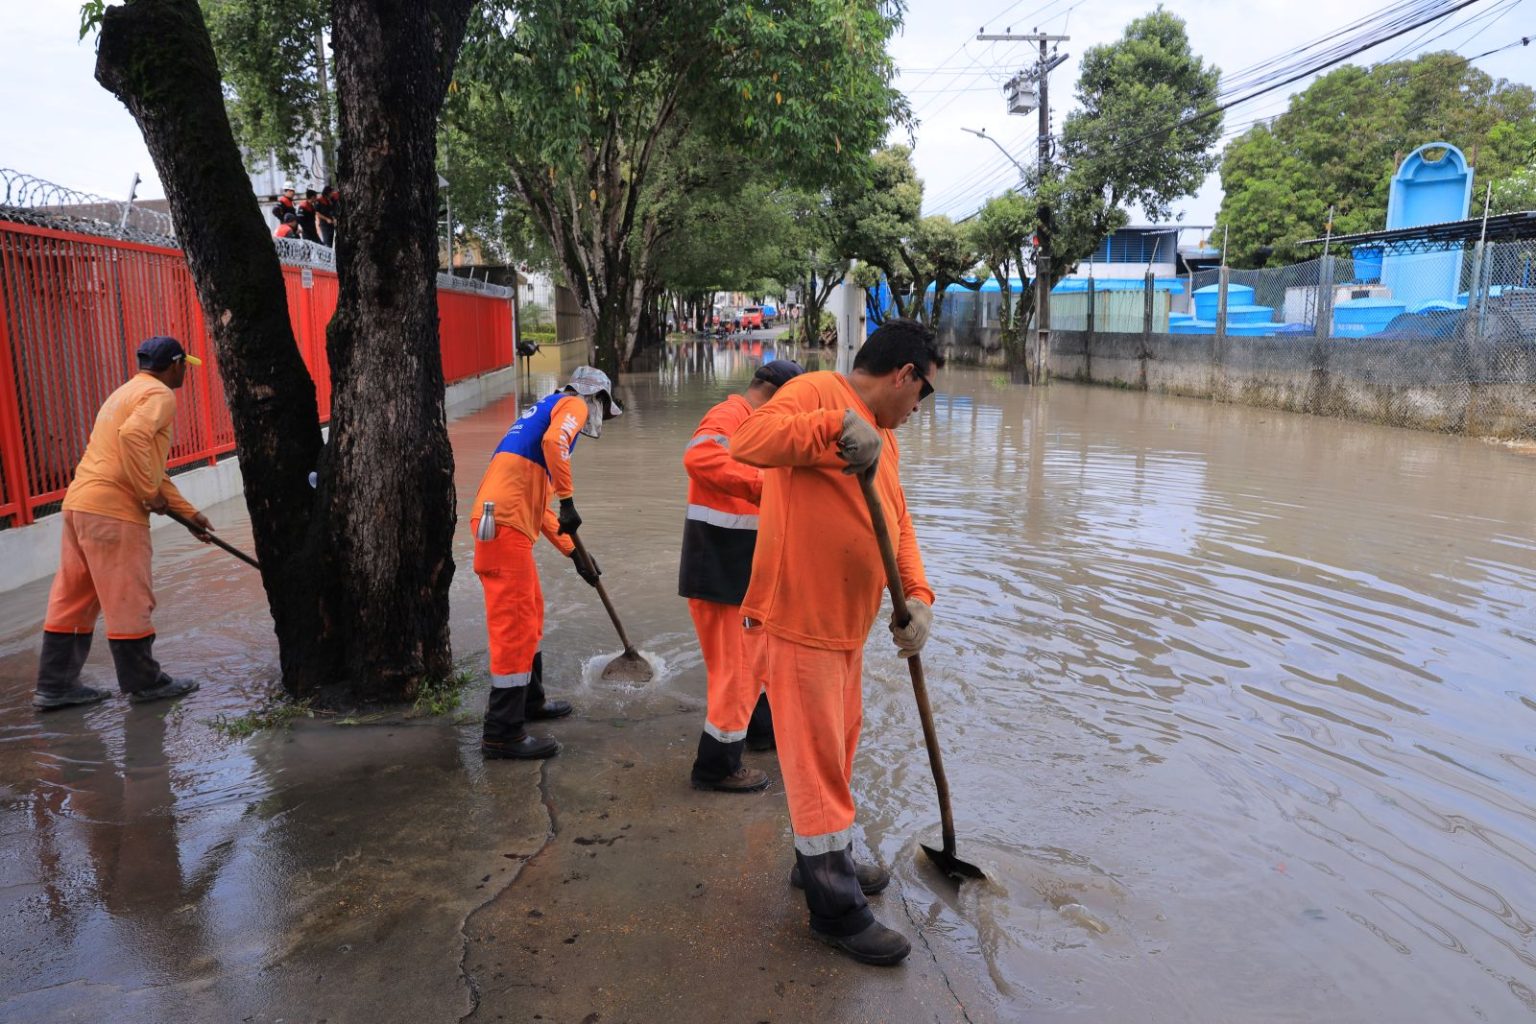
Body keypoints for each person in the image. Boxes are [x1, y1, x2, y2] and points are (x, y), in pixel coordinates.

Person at [731, 317, 943, 967]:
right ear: (904, 375)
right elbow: (748, 439)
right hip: (799, 621)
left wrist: (917, 597)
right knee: (818, 766)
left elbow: (896, 523)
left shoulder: (886, 439)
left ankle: (824, 854)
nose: (919, 407)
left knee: (840, 749)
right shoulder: (818, 392)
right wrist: (829, 430)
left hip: (846, 628)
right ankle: (835, 908)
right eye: (924, 392)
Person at [33, 336, 214, 711]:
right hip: (114, 511)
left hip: (80, 505)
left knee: (73, 597)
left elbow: (148, 465)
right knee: (129, 595)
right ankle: (144, 682)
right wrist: (148, 494)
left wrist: (189, 515)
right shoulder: (161, 396)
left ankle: (56, 685)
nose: (185, 374)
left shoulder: (125, 393)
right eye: (185, 366)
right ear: (175, 364)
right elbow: (133, 442)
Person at [470, 366, 622, 759]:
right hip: (503, 527)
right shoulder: (571, 404)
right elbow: (558, 442)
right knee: (514, 628)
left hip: (506, 521)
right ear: (595, 397)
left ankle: (529, 703)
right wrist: (569, 500)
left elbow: (538, 509)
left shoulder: (533, 421)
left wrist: (575, 553)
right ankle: (502, 733)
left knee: (530, 614)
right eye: (601, 406)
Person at [680, 359, 805, 793]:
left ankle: (760, 732)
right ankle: (717, 766)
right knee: (737, 671)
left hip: (737, 565)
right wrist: (765, 487)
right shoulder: (731, 415)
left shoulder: (758, 426)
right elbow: (699, 457)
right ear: (775, 393)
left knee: (755, 659)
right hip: (718, 562)